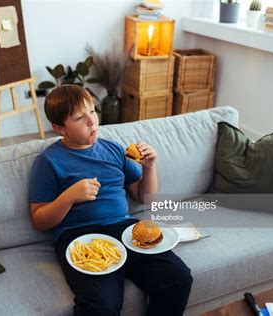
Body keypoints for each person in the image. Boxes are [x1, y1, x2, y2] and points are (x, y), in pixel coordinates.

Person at [29, 85, 193, 316]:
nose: (91, 121)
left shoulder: (114, 150)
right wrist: (68, 198)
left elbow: (145, 197)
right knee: (101, 305)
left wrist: (149, 167)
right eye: (79, 117)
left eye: (93, 111)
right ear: (59, 128)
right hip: (80, 239)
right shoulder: (48, 161)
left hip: (125, 229)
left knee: (178, 278)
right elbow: (39, 220)